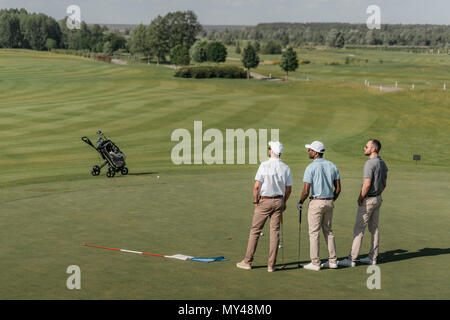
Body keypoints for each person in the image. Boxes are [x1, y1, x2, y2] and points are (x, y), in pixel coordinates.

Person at [237, 141, 293, 272]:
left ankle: (247, 261)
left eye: (269, 148)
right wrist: (284, 202)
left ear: (272, 151)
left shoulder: (264, 165)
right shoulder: (286, 167)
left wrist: (255, 201)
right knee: (275, 232)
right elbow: (289, 189)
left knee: (255, 230)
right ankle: (271, 265)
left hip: (264, 201)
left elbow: (257, 186)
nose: (268, 150)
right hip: (279, 201)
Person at [339, 139, 388, 267]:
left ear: (373, 149)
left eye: (366, 146)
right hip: (378, 198)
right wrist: (377, 193)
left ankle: (352, 258)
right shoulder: (383, 163)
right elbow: (384, 184)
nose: (364, 148)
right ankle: (373, 257)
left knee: (359, 229)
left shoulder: (369, 164)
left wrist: (360, 198)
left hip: (369, 200)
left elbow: (366, 185)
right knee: (374, 228)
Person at [297, 141, 341, 271]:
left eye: (310, 150)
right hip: (329, 202)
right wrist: (331, 200)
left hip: (316, 202)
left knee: (314, 233)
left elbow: (306, 191)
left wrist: (300, 202)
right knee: (328, 231)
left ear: (315, 152)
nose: (308, 152)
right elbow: (338, 189)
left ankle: (315, 263)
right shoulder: (332, 165)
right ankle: (333, 261)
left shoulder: (310, 167)